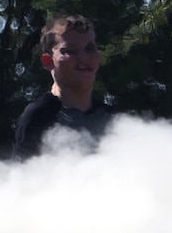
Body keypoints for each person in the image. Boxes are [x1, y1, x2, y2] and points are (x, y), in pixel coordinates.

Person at [14, 15, 113, 159]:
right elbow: (23, 176)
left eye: (90, 48)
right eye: (70, 51)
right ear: (48, 61)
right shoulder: (38, 117)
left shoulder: (112, 119)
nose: (84, 58)